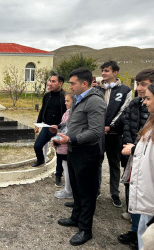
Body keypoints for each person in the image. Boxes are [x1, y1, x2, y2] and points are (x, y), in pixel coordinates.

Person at [54, 68, 106, 246]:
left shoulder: (95, 102)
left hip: (87, 153)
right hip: (74, 149)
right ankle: (76, 217)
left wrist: (72, 139)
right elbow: (74, 122)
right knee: (76, 188)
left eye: (73, 83)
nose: (70, 86)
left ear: (85, 83)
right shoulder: (78, 99)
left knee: (86, 193)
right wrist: (59, 127)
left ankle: (85, 229)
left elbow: (96, 132)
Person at [117, 69, 153, 249]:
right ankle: (134, 228)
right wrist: (129, 144)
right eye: (137, 84)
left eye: (143, 84)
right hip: (131, 153)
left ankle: (143, 235)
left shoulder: (151, 107)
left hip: (143, 157)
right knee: (131, 187)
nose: (139, 88)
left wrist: (135, 149)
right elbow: (127, 125)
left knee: (144, 193)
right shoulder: (135, 104)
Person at [97, 61, 132, 208]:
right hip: (98, 133)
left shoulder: (125, 90)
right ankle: (96, 190)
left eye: (107, 71)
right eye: (103, 71)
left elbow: (124, 111)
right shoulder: (97, 90)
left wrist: (110, 127)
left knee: (114, 164)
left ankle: (115, 193)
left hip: (115, 134)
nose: (104, 73)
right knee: (96, 162)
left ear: (115, 72)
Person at [32, 74, 66, 185]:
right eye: (49, 81)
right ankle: (40, 159)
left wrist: (61, 126)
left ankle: (58, 175)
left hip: (59, 129)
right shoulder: (47, 96)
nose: (49, 83)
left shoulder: (65, 96)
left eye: (53, 81)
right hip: (47, 127)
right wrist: (38, 124)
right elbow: (42, 110)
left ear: (60, 83)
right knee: (37, 146)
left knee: (59, 153)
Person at [52, 93, 73, 199]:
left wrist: (57, 140)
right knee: (65, 166)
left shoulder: (72, 114)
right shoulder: (67, 112)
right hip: (62, 145)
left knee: (68, 169)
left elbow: (67, 130)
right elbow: (62, 125)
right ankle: (67, 189)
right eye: (65, 101)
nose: (65, 103)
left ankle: (69, 191)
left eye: (68, 101)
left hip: (65, 145)